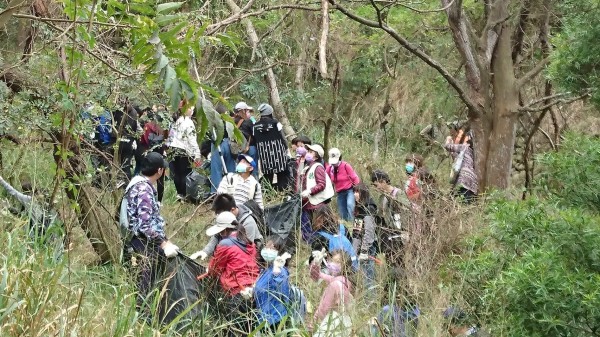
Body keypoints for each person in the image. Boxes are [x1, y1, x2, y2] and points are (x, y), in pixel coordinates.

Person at [121, 152, 180, 308]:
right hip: (142, 241)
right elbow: (145, 225)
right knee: (146, 281)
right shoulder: (144, 190)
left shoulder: (137, 183)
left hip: (142, 240)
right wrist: (162, 244)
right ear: (160, 171)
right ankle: (142, 312)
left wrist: (166, 240)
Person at [206, 211, 259, 336]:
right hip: (254, 289)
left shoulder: (224, 244)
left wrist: (209, 270)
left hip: (237, 291)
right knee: (248, 328)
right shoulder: (247, 240)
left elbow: (215, 269)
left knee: (234, 330)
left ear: (224, 230)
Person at [190, 193, 263, 261]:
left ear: (233, 210)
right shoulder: (222, 216)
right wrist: (205, 251)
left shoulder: (248, 223)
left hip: (246, 255)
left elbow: (246, 249)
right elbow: (216, 235)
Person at [253, 237, 299, 331]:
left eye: (272, 248)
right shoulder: (267, 269)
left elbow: (280, 289)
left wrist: (277, 273)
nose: (268, 250)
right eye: (267, 246)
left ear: (280, 252)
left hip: (274, 319)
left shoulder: (280, 271)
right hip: (264, 317)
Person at [308, 249, 354, 336]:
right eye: (332, 261)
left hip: (330, 324)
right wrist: (316, 264)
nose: (332, 264)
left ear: (344, 265)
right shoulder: (345, 281)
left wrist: (313, 324)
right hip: (343, 324)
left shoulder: (334, 285)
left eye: (337, 262)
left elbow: (323, 309)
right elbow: (316, 276)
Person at [166, 100, 202, 200]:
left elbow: (171, 135)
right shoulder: (188, 122)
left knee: (177, 173)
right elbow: (192, 139)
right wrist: (197, 153)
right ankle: (185, 194)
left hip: (174, 149)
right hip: (184, 150)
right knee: (185, 173)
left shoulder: (178, 120)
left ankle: (180, 194)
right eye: (190, 108)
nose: (192, 110)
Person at [299, 143, 334, 243]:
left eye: (311, 152)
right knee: (306, 225)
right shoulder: (307, 167)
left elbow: (321, 184)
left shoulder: (318, 167)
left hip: (316, 203)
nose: (308, 153)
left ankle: (318, 243)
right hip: (307, 203)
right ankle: (309, 243)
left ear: (317, 155)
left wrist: (310, 191)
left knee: (318, 226)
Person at [252, 103, 291, 191]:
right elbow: (283, 137)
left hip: (265, 156)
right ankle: (283, 191)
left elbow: (255, 140)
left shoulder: (255, 126)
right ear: (270, 112)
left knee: (268, 175)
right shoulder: (276, 123)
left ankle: (267, 192)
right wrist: (286, 148)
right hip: (278, 154)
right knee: (282, 173)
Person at [310, 204, 357, 269]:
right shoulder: (343, 227)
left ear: (317, 217)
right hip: (351, 265)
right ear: (332, 214)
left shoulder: (320, 236)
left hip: (333, 271)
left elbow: (315, 256)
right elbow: (351, 242)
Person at [352, 182, 378, 285]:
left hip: (368, 248)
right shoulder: (359, 208)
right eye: (354, 191)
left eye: (357, 191)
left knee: (368, 276)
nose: (355, 194)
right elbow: (356, 232)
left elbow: (369, 231)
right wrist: (354, 250)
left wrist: (364, 250)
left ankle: (371, 299)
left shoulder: (369, 208)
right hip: (361, 247)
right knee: (365, 275)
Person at [445, 123, 478, 203]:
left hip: (463, 180)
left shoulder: (464, 147)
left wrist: (448, 139)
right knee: (467, 204)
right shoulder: (473, 153)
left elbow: (448, 146)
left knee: (459, 203)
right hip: (472, 183)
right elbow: (456, 157)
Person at [326, 147, 360, 222]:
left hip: (349, 190)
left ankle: (352, 226)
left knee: (350, 205)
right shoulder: (329, 169)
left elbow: (355, 178)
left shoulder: (345, 166)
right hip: (339, 193)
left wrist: (357, 191)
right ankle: (345, 229)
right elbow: (326, 179)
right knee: (342, 213)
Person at [210, 104, 236, 193]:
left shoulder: (214, 121)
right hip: (223, 143)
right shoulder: (220, 121)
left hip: (221, 144)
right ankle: (226, 188)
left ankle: (217, 190)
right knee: (228, 167)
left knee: (217, 168)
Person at [233, 102, 258, 169]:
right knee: (253, 169)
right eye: (246, 110)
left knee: (241, 170)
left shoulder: (232, 122)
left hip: (237, 150)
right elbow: (254, 134)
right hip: (250, 148)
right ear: (243, 111)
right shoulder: (248, 121)